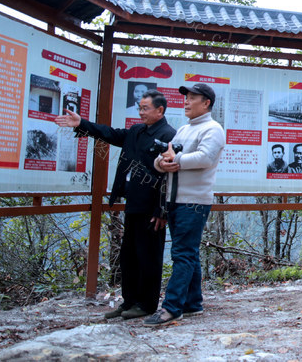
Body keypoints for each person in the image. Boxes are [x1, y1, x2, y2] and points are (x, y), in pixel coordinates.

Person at [55, 90, 174, 320]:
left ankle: (146, 304)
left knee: (148, 256)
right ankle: (129, 301)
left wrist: (162, 210)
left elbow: (169, 179)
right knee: (129, 256)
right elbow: (110, 134)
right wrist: (82, 123)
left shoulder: (169, 135)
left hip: (152, 208)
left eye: (145, 108)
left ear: (160, 110)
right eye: (139, 107)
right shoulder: (137, 131)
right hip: (132, 204)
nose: (141, 112)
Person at [146, 82, 225, 326]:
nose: (186, 101)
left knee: (182, 253)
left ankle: (172, 308)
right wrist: (163, 164)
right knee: (188, 253)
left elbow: (205, 157)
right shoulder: (182, 129)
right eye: (186, 97)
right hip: (175, 200)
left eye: (192, 98)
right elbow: (162, 159)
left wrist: (175, 160)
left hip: (194, 202)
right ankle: (192, 304)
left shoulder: (213, 129)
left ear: (206, 103)